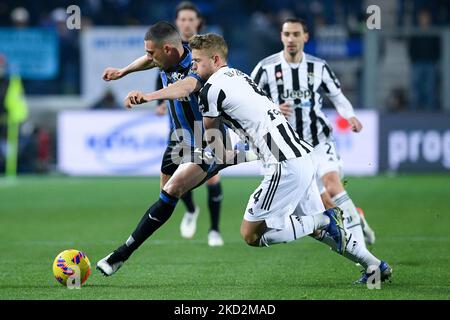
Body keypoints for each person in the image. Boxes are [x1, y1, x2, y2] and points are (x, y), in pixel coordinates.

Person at [188, 33, 391, 284]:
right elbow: (255, 126)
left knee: (251, 234)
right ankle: (374, 265)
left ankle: (324, 218)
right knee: (316, 231)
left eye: (197, 61)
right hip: (301, 154)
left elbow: (215, 146)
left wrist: (204, 160)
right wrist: (249, 152)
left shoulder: (210, 90)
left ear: (215, 59)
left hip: (284, 164)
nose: (193, 66)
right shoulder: (239, 76)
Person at [96, 21, 254, 276]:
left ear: (168, 49)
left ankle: (119, 255)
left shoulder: (196, 64)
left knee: (172, 190)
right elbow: (149, 62)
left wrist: (150, 95)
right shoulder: (166, 58)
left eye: (151, 52)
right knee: (165, 197)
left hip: (206, 139)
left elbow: (188, 85)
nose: (148, 58)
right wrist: (123, 72)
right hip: (179, 138)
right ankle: (225, 167)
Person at [250, 18, 376, 248]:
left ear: (305, 37)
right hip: (287, 148)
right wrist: (272, 108)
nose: (291, 39)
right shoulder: (266, 67)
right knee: (324, 203)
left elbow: (337, 95)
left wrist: (350, 116)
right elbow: (250, 100)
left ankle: (363, 253)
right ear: (281, 36)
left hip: (318, 139)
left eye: (296, 34)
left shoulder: (318, 66)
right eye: (287, 34)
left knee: (332, 185)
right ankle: (355, 216)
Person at [153, 1, 224, 246]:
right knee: (171, 181)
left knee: (212, 178)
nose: (185, 23)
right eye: (181, 19)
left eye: (190, 19)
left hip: (205, 123)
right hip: (179, 126)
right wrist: (158, 101)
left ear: (198, 22)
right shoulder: (170, 51)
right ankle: (192, 210)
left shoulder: (208, 49)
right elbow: (160, 72)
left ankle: (214, 230)